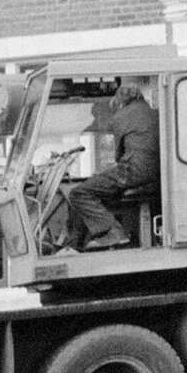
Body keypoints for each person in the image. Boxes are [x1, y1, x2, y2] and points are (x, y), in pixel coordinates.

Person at [60, 79, 161, 251]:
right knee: (100, 190)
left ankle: (113, 232)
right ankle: (75, 242)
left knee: (79, 193)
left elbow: (118, 156)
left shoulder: (120, 117)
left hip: (133, 172)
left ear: (120, 101)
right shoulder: (154, 113)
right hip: (156, 174)